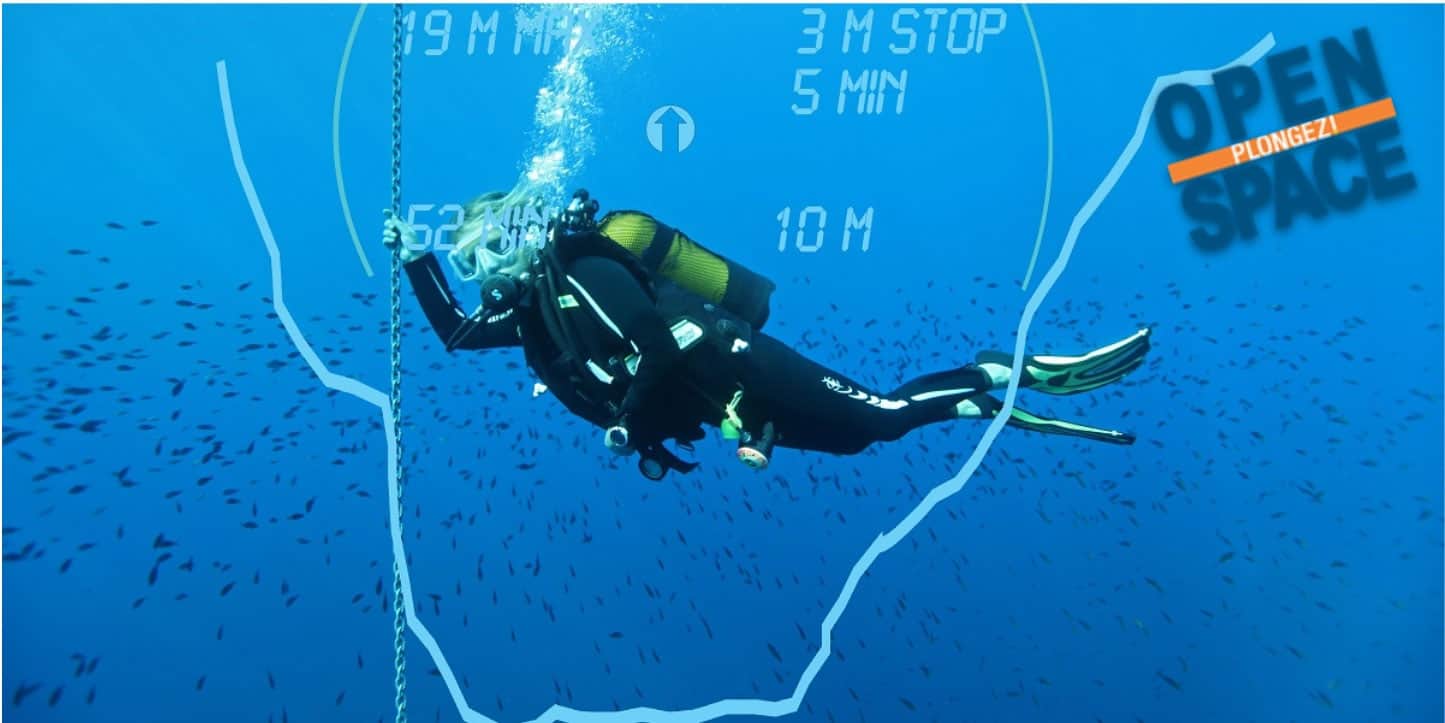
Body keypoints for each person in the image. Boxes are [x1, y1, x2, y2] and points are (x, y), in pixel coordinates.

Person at [382, 185, 1152, 480]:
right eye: (468, 260)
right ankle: (975, 400)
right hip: (726, 406)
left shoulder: (580, 267)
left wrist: (626, 424)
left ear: (519, 229)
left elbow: (656, 345)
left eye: (486, 249)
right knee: (857, 440)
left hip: (735, 363)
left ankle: (996, 372)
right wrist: (417, 261)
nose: (482, 270)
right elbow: (455, 332)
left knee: (883, 417)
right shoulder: (533, 314)